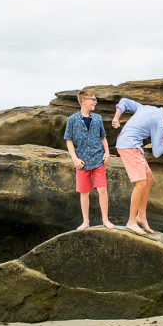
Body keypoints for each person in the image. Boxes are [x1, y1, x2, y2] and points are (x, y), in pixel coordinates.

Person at [112, 98, 163, 235]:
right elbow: (156, 152)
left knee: (149, 178)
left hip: (130, 145)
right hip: (129, 146)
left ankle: (141, 217)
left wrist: (116, 118)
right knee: (141, 182)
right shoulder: (161, 123)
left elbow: (124, 101)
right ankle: (131, 221)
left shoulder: (147, 107)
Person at [64, 89, 113, 231]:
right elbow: (69, 140)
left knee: (102, 189)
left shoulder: (98, 118)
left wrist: (107, 153)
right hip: (82, 162)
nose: (95, 102)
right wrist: (74, 158)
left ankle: (105, 220)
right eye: (93, 99)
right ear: (84, 101)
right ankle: (85, 222)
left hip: (98, 160)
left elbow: (103, 137)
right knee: (84, 192)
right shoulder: (72, 120)